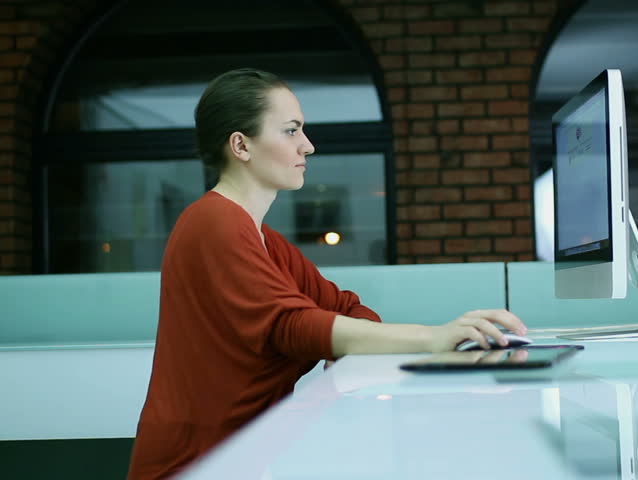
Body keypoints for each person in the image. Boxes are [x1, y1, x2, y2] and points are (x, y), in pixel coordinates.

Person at [127, 68, 527, 479]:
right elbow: (290, 327)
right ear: (241, 145)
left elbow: (348, 310)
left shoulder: (265, 240)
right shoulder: (213, 223)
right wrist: (436, 337)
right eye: (290, 131)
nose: (308, 146)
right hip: (196, 465)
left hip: (241, 459)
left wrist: (343, 344)